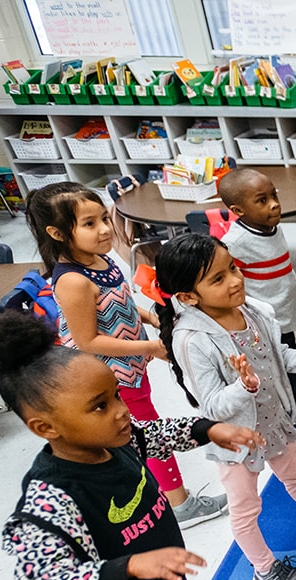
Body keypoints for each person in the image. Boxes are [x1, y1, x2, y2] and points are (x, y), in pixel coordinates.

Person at [0, 311, 261, 580]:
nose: (121, 411)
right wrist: (129, 567)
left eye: (116, 395)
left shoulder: (117, 441)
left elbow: (155, 433)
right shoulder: (49, 499)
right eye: (99, 406)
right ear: (45, 427)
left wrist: (208, 430)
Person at [156, 233, 296, 580]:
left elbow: (281, 359)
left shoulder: (254, 311)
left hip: (275, 422)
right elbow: (213, 407)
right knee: (246, 509)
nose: (235, 280)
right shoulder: (191, 340)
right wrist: (244, 387)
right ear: (187, 297)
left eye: (232, 268)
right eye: (218, 279)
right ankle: (264, 569)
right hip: (235, 440)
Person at [25, 182, 227, 529]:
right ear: (57, 233)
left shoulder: (99, 260)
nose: (105, 229)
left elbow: (121, 302)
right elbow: (88, 340)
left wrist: (151, 317)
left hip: (130, 363)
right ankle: (180, 504)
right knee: (146, 431)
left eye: (104, 218)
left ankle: (166, 494)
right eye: (89, 224)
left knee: (142, 425)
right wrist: (150, 347)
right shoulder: (72, 281)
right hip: (106, 373)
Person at [216, 169, 296, 441]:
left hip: (295, 316)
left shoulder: (272, 227)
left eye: (274, 195)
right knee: (278, 385)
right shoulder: (234, 243)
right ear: (238, 210)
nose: (274, 204)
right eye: (261, 200)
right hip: (269, 328)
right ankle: (285, 433)